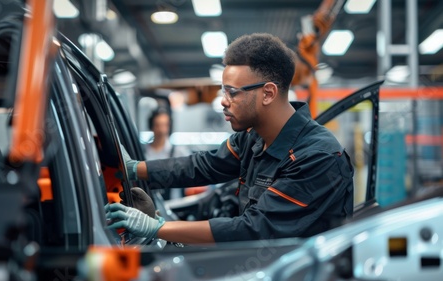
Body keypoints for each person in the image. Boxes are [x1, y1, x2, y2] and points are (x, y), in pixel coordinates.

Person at [106, 33, 354, 244]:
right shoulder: (252, 137)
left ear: (268, 93)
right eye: (223, 91)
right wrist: (134, 169)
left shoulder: (318, 158)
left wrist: (158, 228)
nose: (223, 101)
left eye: (232, 92)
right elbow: (205, 165)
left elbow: (253, 228)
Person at [144, 106, 190, 200]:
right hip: (148, 200)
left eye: (165, 125)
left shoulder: (179, 152)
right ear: (151, 126)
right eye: (158, 125)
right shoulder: (143, 151)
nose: (162, 130)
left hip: (172, 204)